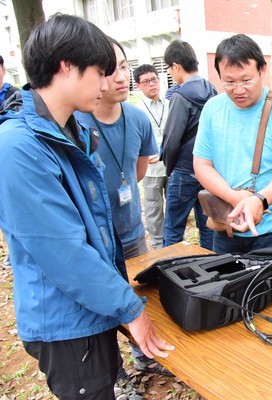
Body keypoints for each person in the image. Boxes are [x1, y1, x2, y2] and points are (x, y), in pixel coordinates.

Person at [0, 14, 173, 399]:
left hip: (90, 311)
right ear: (66, 66)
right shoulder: (19, 147)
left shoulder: (71, 132)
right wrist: (131, 309)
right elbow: (63, 253)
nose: (108, 82)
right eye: (99, 71)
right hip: (65, 322)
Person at [75, 39, 171, 397]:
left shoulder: (137, 118)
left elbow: (141, 170)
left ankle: (143, 354)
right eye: (109, 68)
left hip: (132, 232)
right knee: (101, 306)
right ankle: (113, 374)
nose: (120, 76)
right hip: (94, 241)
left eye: (124, 66)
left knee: (139, 296)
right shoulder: (77, 121)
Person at [193, 34, 272, 256]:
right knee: (224, 287)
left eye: (246, 80)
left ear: (262, 70)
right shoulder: (212, 109)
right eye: (229, 81)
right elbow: (202, 165)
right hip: (226, 223)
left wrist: (259, 200)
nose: (238, 89)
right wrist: (233, 197)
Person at [162, 40, 217, 249]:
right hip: (209, 171)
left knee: (173, 229)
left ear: (176, 66)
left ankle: (167, 271)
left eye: (169, 68)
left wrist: (169, 169)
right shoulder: (211, 90)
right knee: (208, 227)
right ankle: (209, 270)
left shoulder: (181, 95)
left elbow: (171, 138)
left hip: (184, 170)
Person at [134, 64, 169, 249]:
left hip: (171, 166)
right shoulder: (137, 111)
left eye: (154, 79)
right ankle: (157, 246)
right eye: (146, 81)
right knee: (153, 210)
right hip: (151, 170)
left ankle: (173, 243)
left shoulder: (170, 103)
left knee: (172, 208)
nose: (152, 84)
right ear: (138, 85)